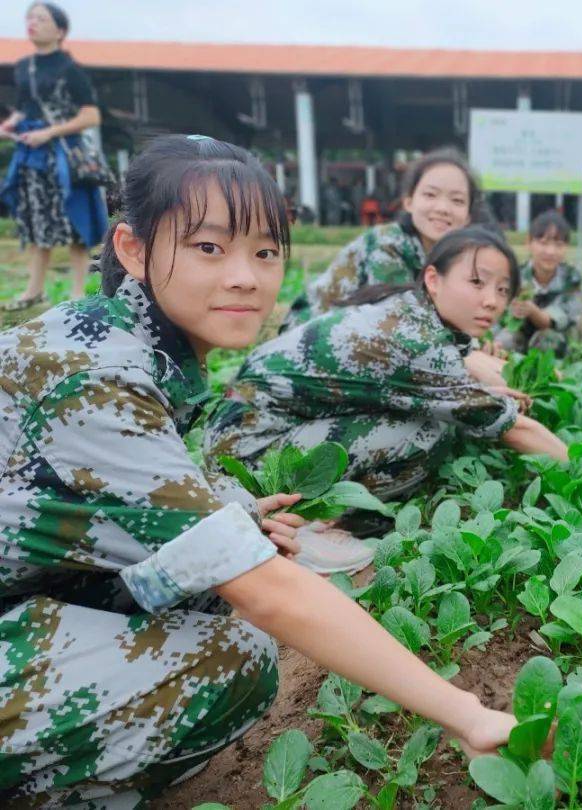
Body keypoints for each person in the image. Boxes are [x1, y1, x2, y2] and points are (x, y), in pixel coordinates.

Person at [0, 135, 517, 805]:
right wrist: (470, 716)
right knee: (231, 656)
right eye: (209, 247)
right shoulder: (94, 378)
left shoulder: (129, 340)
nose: (246, 276)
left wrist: (226, 513)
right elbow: (268, 595)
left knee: (206, 578)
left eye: (265, 252)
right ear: (132, 249)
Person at [204, 225, 569, 511]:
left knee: (439, 417)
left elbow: (429, 389)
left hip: (251, 429)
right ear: (433, 280)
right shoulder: (417, 341)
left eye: (503, 290)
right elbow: (514, 428)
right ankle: (320, 519)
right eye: (476, 282)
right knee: (430, 432)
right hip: (244, 459)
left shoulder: (413, 311)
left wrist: (476, 396)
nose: (492, 301)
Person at [282, 148, 478, 330]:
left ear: (468, 215)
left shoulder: (456, 257)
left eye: (457, 200)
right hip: (311, 336)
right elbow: (401, 323)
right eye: (430, 194)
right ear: (408, 202)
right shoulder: (387, 241)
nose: (443, 208)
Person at [0, 2, 108, 309]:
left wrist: (48, 132)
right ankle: (33, 290)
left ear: (59, 31)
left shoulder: (70, 70)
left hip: (65, 156)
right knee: (36, 222)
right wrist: (10, 124)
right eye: (29, 18)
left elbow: (90, 117)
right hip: (32, 156)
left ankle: (76, 293)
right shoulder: (24, 68)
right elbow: (25, 108)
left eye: (41, 18)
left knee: (75, 221)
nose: (32, 23)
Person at [494, 210, 582, 357]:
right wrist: (512, 313)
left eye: (558, 245)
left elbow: (559, 320)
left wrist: (532, 311)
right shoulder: (514, 275)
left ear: (566, 247)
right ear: (529, 242)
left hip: (554, 337)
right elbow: (499, 318)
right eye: (543, 243)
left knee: (546, 339)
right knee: (504, 340)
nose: (550, 251)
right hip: (518, 334)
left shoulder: (571, 277)